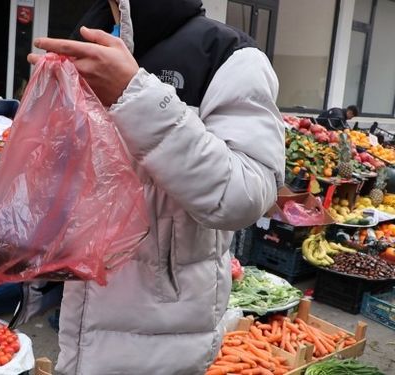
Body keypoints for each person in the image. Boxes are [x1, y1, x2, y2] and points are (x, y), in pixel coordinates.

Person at [26, 1, 285, 374]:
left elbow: (246, 196)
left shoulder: (228, 55)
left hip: (162, 338)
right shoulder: (84, 38)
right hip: (75, 325)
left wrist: (135, 95)